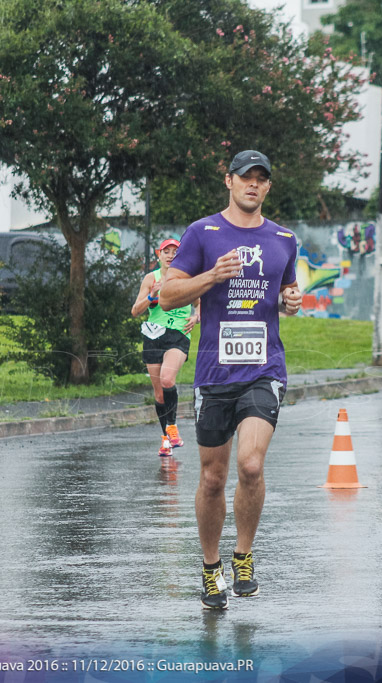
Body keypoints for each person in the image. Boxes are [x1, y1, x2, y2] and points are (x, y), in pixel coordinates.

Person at [160, 150, 302, 609]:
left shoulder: (284, 238)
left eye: (261, 179)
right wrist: (211, 275)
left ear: (268, 187)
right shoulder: (203, 233)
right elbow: (166, 295)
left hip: (265, 369)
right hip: (215, 371)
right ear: (229, 181)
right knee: (213, 476)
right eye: (246, 178)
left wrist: (291, 301)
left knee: (252, 466)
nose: (253, 186)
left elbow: (283, 294)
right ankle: (209, 567)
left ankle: (243, 555)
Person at [130, 238, 199, 458]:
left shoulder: (186, 278)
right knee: (159, 394)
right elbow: (135, 311)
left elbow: (201, 301)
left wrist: (197, 316)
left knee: (167, 379)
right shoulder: (151, 278)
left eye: (174, 252)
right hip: (153, 335)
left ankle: (172, 427)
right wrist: (152, 296)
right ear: (159, 255)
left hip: (178, 334)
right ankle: (166, 440)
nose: (170, 255)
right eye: (166, 251)